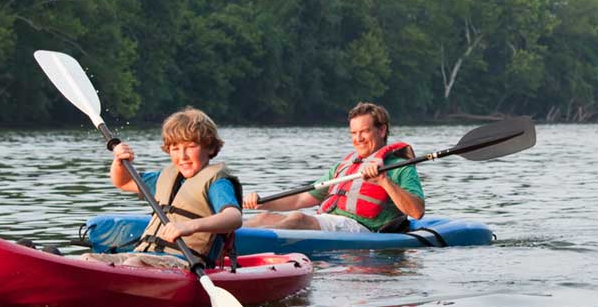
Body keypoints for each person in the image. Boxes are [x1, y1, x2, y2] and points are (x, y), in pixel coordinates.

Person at [85, 108, 242, 269]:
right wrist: (118, 162)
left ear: (209, 148)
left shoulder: (217, 183)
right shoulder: (164, 178)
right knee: (87, 259)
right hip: (145, 254)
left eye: (190, 146)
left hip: (187, 262)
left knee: (133, 264)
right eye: (175, 149)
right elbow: (123, 182)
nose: (183, 156)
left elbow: (233, 217)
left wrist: (190, 226)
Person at [245, 102, 425, 232]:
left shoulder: (401, 167)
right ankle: (226, 238)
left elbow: (417, 212)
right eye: (354, 133)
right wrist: (260, 203)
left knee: (298, 218)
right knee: (264, 217)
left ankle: (249, 243)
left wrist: (384, 181)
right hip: (331, 221)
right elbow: (299, 200)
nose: (358, 138)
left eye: (364, 131)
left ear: (382, 130)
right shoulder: (344, 166)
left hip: (361, 228)